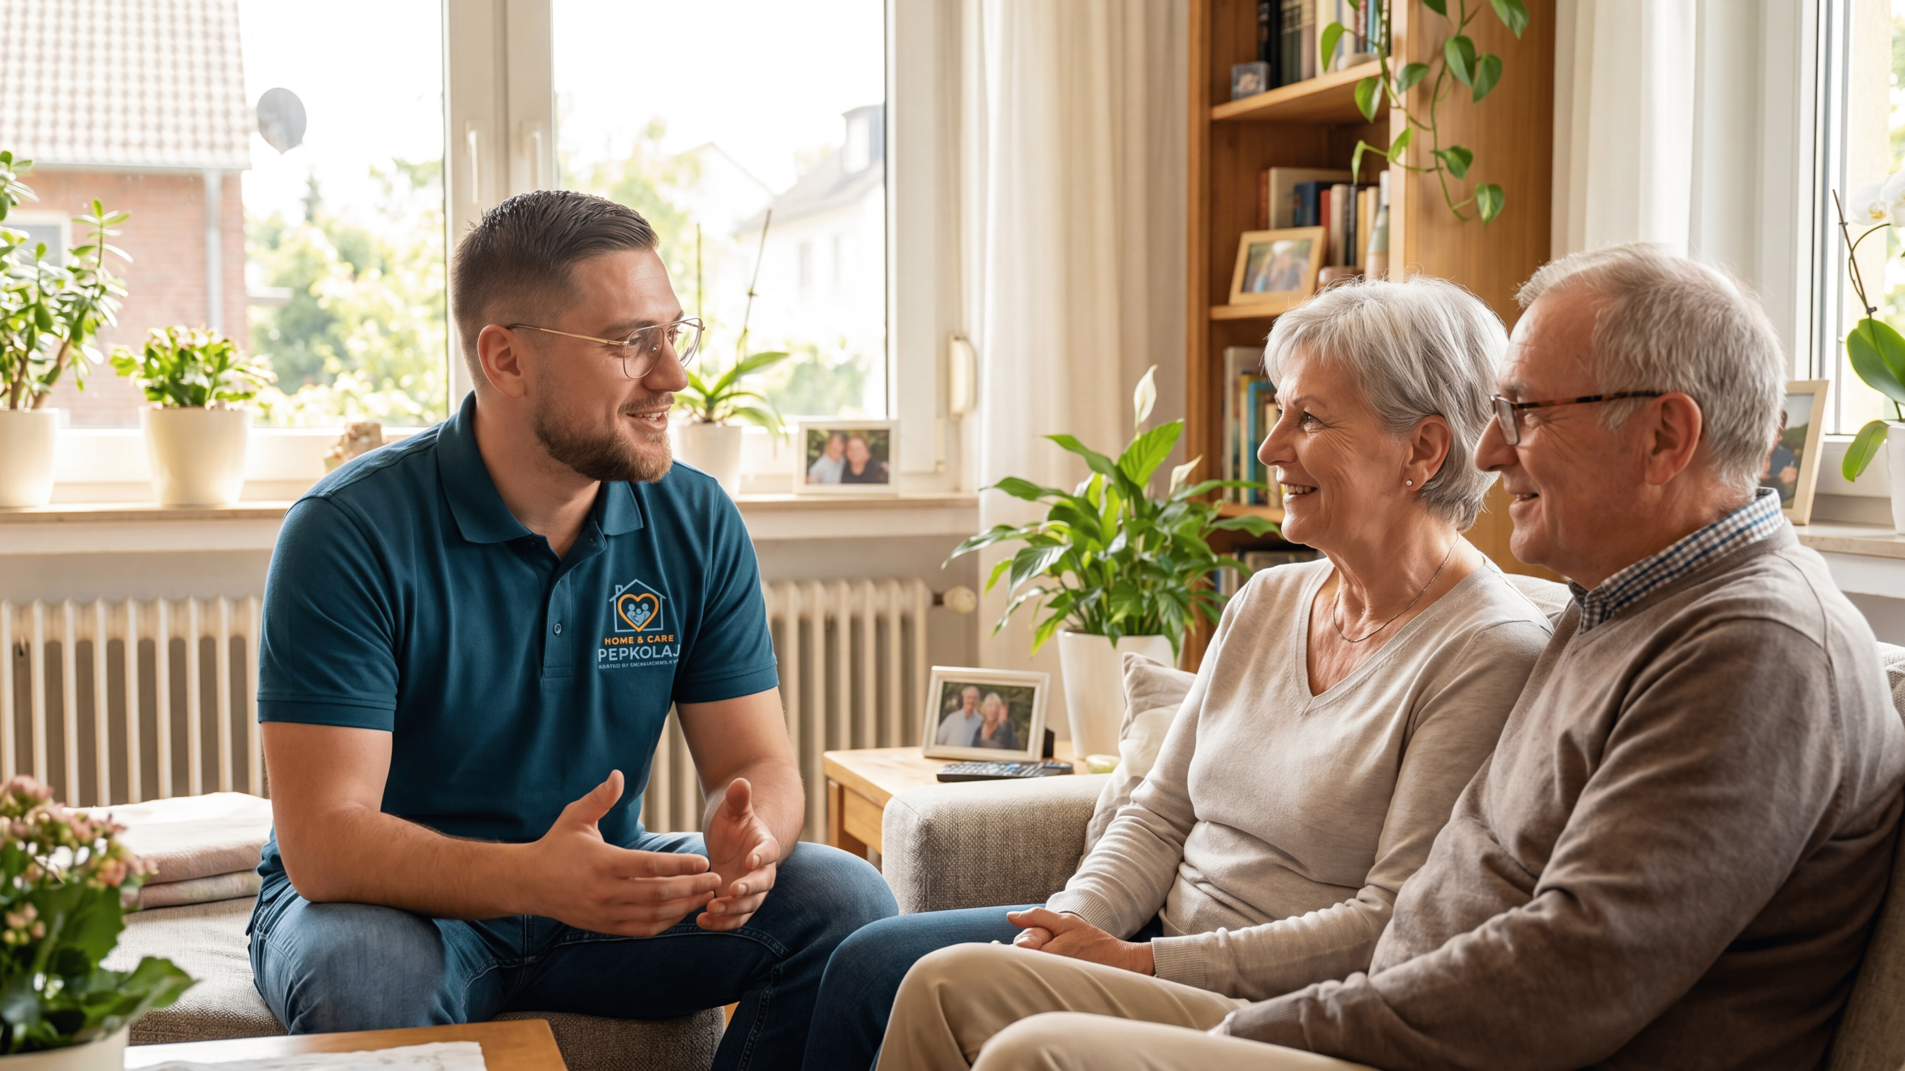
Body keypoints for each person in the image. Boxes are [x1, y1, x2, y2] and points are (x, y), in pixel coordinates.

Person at [904, 244, 1905, 1071]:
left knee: (1031, 1056)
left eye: (1526, 415)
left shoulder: (1754, 651)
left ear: (1664, 435)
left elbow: (1567, 979)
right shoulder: (1617, 606)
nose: (1492, 454)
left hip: (1435, 1051)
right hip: (1385, 1024)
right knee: (950, 989)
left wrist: (1245, 1024)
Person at [804, 276, 1555, 1069]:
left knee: (946, 982)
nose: (1270, 449)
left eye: (1309, 418)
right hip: (1155, 942)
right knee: (868, 966)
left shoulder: (1486, 651)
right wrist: (1065, 927)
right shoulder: (1266, 600)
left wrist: (1142, 963)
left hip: (1273, 1002)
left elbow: (1391, 920)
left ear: (1423, 450)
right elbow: (1158, 812)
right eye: (1277, 413)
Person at [248, 190, 897, 1071]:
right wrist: (532, 876)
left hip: (596, 888)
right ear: (506, 358)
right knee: (364, 971)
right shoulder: (346, 530)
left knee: (847, 902)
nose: (672, 374)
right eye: (631, 342)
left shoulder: (696, 518)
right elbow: (326, 843)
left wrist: (753, 840)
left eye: (675, 333)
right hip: (388, 905)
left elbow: (758, 765)